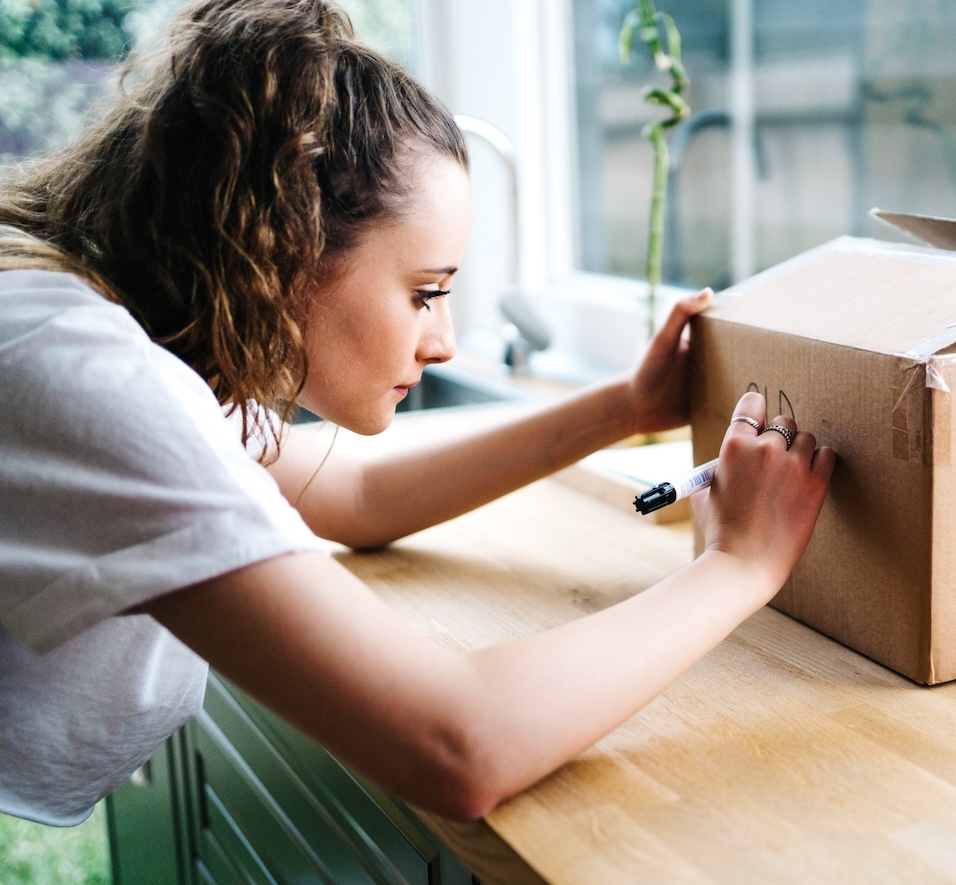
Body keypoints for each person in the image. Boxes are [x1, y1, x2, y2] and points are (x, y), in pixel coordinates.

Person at [0, 0, 834, 829]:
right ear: (284, 245)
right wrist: (741, 565)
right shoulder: (87, 373)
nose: (444, 341)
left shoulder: (144, 341)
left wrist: (624, 406)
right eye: (426, 292)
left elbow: (359, 500)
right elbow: (458, 746)